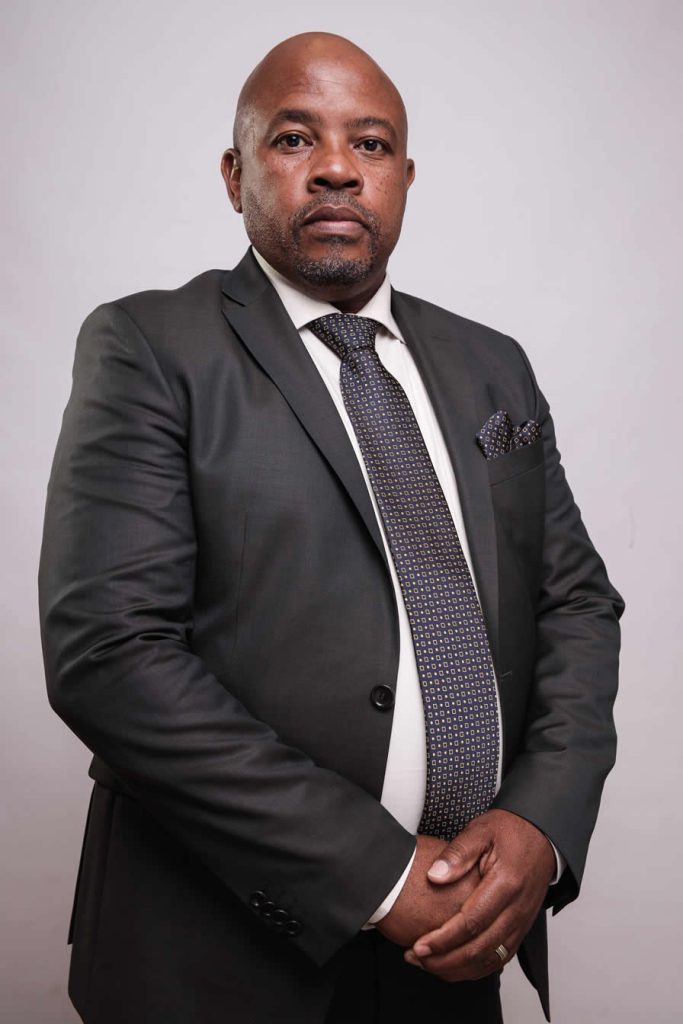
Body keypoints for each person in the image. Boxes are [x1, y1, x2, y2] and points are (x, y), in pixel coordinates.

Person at [38, 31, 623, 1024]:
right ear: (235, 175)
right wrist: (380, 875)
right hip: (214, 964)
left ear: (404, 177)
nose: (339, 168)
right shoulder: (149, 347)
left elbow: (574, 604)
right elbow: (110, 655)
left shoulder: (493, 366)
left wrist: (539, 821)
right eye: (293, 138)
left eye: (371, 143)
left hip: (458, 947)